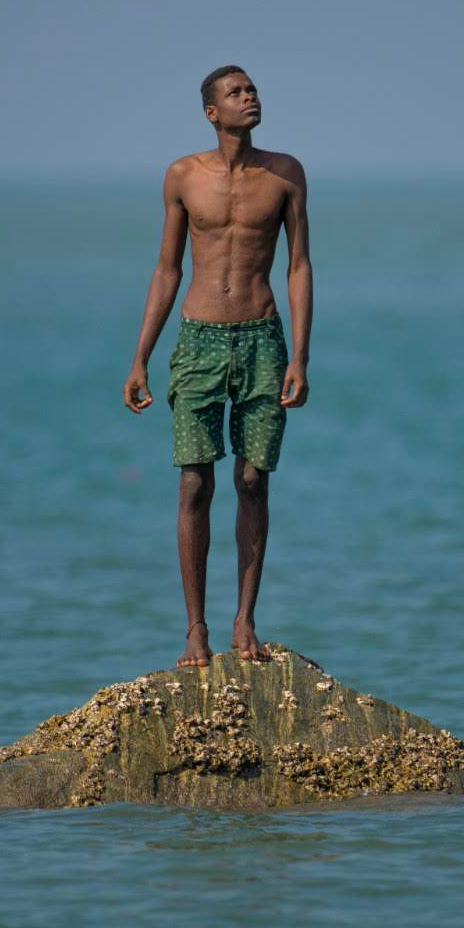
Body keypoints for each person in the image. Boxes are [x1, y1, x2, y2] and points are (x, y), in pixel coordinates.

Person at [123, 66, 312, 668]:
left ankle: (244, 623)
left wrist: (300, 356)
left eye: (252, 89)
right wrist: (140, 358)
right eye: (236, 92)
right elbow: (167, 269)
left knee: (254, 480)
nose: (250, 97)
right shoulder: (183, 176)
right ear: (212, 111)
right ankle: (195, 631)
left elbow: (299, 267)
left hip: (263, 340)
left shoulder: (285, 174)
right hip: (199, 339)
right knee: (194, 483)